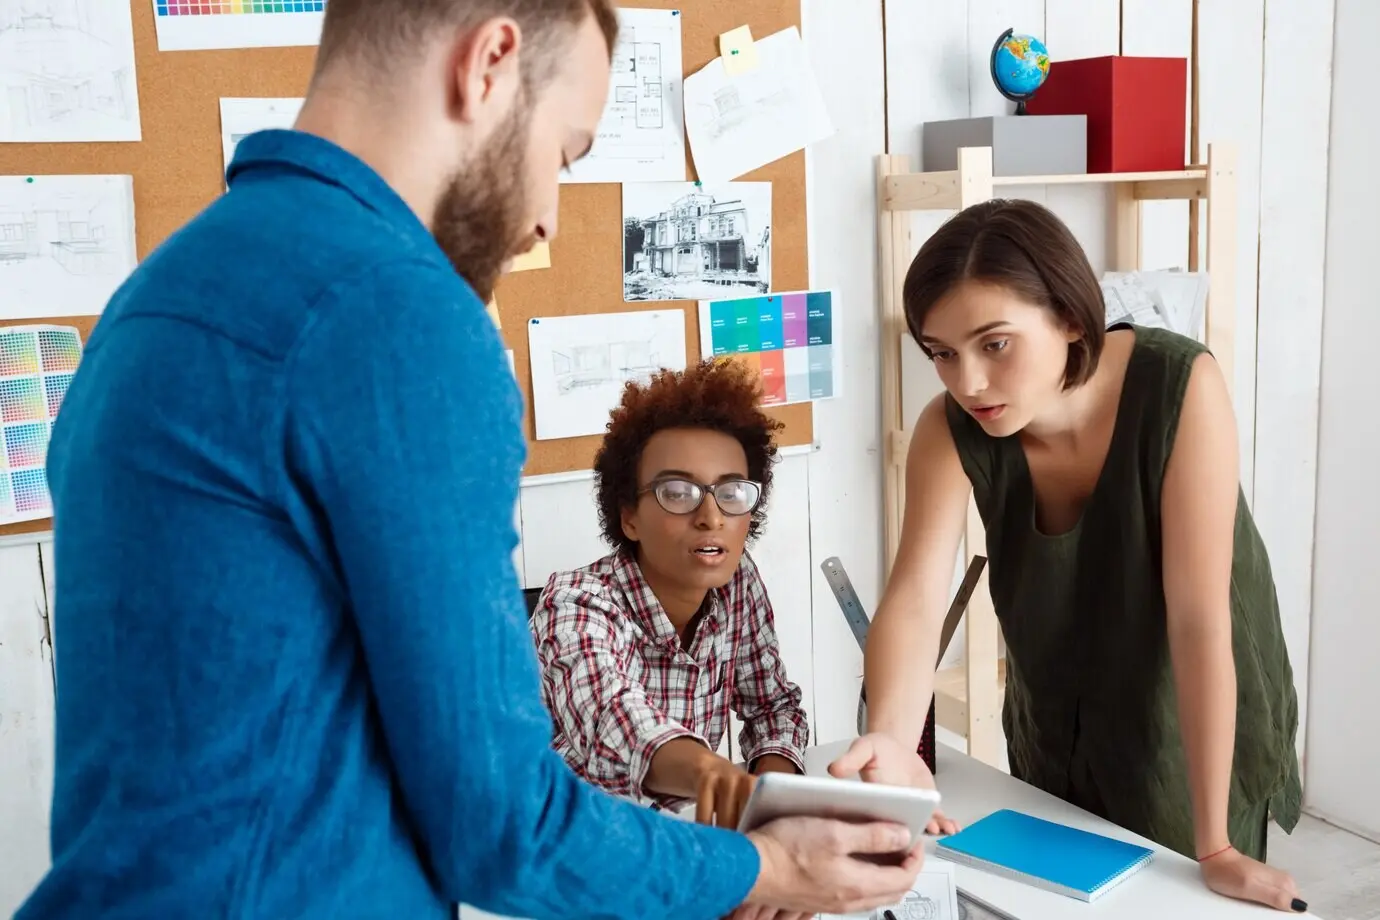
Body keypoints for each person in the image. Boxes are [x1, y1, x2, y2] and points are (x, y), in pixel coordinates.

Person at [15, 2, 926, 918]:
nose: (548, 219)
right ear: (488, 61)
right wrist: (768, 869)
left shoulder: (154, 296)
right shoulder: (401, 312)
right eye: (562, 153)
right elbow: (505, 827)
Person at [829, 198, 1309, 914]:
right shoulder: (950, 428)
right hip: (1059, 704)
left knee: (1175, 890)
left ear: (1071, 317)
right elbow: (917, 596)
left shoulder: (1180, 385)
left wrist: (1215, 847)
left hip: (1191, 700)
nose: (967, 382)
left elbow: (1199, 620)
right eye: (942, 353)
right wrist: (894, 742)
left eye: (995, 344)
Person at [531, 359, 810, 832]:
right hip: (564, 844)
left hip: (677, 836)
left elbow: (772, 708)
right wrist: (713, 775)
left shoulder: (737, 582)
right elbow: (612, 717)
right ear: (629, 517)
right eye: (678, 492)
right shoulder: (575, 604)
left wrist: (771, 801)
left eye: (731, 492)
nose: (711, 517)